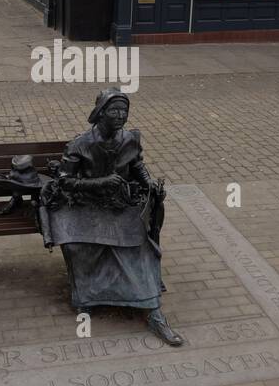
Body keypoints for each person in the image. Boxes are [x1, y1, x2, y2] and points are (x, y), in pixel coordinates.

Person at [39, 88, 182, 346]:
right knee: (80, 244)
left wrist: (149, 183)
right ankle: (88, 297)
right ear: (100, 112)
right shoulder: (81, 143)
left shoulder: (130, 138)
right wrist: (99, 183)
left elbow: (137, 165)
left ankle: (153, 311)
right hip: (85, 204)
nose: (120, 115)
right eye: (114, 109)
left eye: (124, 110)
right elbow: (63, 181)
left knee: (137, 248)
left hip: (119, 204)